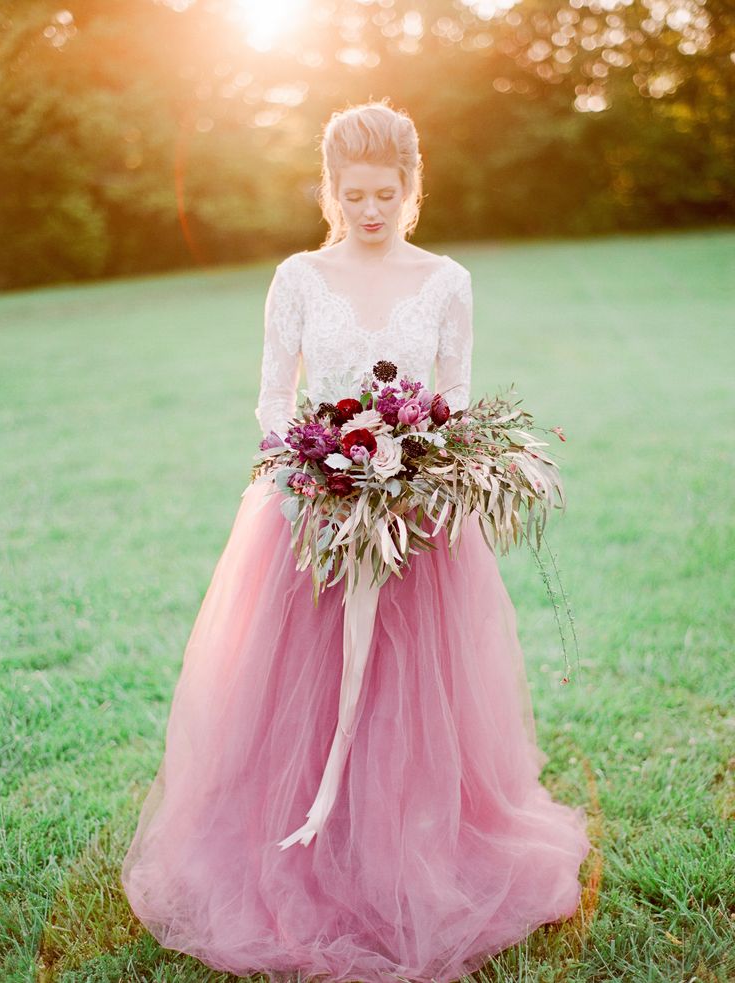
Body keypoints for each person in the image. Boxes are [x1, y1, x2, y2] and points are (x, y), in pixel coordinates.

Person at [121, 98, 592, 982]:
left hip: (416, 526)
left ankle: (418, 854)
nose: (369, 210)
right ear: (329, 190)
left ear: (412, 188)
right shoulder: (298, 276)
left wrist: (415, 482)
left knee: (413, 697)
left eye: (386, 193)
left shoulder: (446, 279)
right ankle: (300, 849)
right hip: (311, 519)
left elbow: (453, 399)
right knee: (295, 696)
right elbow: (272, 400)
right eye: (353, 194)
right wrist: (317, 478)